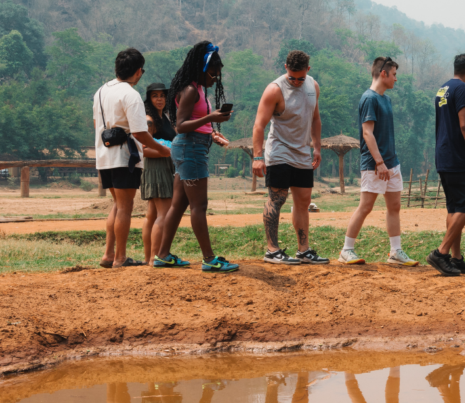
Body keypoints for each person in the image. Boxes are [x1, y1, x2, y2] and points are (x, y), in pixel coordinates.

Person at [154, 41, 238, 272]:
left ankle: (162, 255)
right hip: (190, 149)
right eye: (213, 73)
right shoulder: (190, 89)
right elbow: (180, 125)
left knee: (178, 205)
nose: (215, 78)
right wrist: (210, 117)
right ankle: (210, 259)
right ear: (202, 68)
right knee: (199, 205)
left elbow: (193, 124)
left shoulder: (196, 88)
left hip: (192, 147)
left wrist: (212, 132)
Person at [340, 56, 418, 266]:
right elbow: (367, 133)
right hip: (375, 163)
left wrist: (388, 162)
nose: (396, 79)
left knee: (394, 206)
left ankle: (395, 252)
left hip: (391, 161)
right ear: (383, 74)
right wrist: (379, 162)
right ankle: (346, 250)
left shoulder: (386, 98)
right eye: (394, 74)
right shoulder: (369, 98)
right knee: (366, 206)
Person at [251, 49, 326, 265]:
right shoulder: (274, 90)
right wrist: (258, 157)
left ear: (308, 71)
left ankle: (304, 250)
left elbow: (316, 119)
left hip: (302, 153)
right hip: (279, 151)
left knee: (303, 201)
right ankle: (272, 250)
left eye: (300, 78)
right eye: (292, 77)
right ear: (285, 68)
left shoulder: (313, 86)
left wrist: (317, 147)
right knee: (277, 198)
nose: (295, 81)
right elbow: (259, 125)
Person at [93, 48, 167, 268]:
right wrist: (161, 149)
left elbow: (97, 124)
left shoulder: (101, 91)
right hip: (124, 156)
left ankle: (108, 254)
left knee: (117, 205)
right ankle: (120, 257)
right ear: (138, 72)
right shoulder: (130, 94)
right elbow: (139, 132)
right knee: (125, 207)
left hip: (104, 155)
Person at [427, 53, 465, 276]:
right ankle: (441, 253)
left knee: (455, 207)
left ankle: (456, 258)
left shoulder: (443, 89)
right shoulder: (463, 90)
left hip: (444, 156)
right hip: (460, 158)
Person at [141, 83, 175, 264]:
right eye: (155, 96)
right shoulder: (149, 120)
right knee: (164, 213)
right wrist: (166, 152)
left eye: (162, 95)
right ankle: (157, 257)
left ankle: (149, 258)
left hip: (163, 167)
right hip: (157, 168)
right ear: (149, 99)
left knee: (152, 215)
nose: (160, 99)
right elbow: (143, 149)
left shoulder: (165, 118)